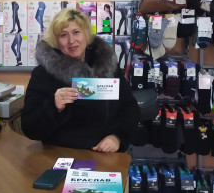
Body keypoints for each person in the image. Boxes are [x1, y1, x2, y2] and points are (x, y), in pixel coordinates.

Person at [21, 8, 139, 152]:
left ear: (86, 35)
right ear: (56, 41)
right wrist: (53, 106)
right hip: (59, 154)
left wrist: (117, 136)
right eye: (63, 35)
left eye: (76, 32)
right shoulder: (43, 74)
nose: (71, 41)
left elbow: (130, 108)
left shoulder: (108, 67)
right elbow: (29, 128)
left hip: (104, 153)